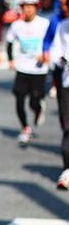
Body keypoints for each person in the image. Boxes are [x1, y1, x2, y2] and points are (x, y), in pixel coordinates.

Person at [7, 0, 50, 144]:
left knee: (34, 101)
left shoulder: (44, 24)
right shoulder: (16, 25)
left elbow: (52, 40)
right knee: (19, 100)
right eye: (25, 7)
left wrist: (46, 54)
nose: (28, 10)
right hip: (22, 67)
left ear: (36, 7)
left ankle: (38, 109)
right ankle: (25, 128)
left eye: (31, 6)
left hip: (38, 69)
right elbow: (9, 41)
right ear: (21, 8)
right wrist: (11, 59)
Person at [48, 12, 69, 190]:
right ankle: (67, 170)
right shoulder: (63, 26)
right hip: (67, 83)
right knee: (67, 127)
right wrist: (60, 59)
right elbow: (55, 50)